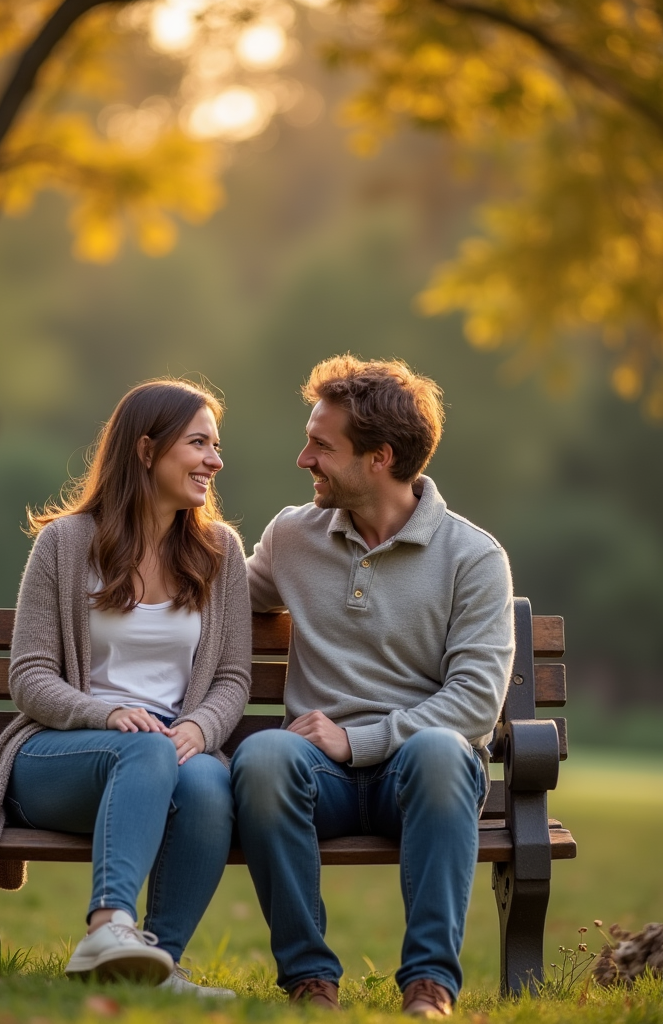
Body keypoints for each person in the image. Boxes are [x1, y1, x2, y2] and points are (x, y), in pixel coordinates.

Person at [231, 356, 514, 1017]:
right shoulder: (292, 535)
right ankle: (309, 980)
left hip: (416, 774)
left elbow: (475, 701)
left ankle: (430, 984)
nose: (305, 459)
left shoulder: (471, 557)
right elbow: (215, 598)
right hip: (316, 779)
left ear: (380, 458)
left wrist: (357, 740)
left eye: (322, 446)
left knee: (444, 750)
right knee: (263, 756)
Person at [0, 379, 251, 995]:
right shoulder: (65, 544)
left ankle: (156, 965)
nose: (214, 460)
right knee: (148, 748)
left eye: (216, 445)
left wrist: (201, 728)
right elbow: (30, 676)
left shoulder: (218, 551)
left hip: (172, 752)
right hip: (63, 755)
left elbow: (232, 677)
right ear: (146, 450)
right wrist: (106, 712)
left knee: (208, 779)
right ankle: (108, 923)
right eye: (198, 443)